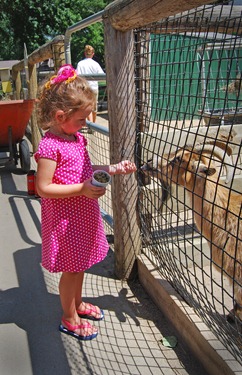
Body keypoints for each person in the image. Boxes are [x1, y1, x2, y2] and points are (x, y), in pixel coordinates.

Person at [34, 64, 137, 341]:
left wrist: (113, 168)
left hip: (82, 215)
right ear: (60, 116)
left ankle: (77, 305)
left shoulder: (76, 138)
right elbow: (43, 188)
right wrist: (82, 188)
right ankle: (69, 317)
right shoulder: (50, 146)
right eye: (82, 119)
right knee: (71, 269)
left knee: (79, 264)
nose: (86, 124)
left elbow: (85, 167)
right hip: (65, 221)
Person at [76, 45, 105, 123]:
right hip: (94, 88)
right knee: (94, 108)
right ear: (93, 53)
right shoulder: (95, 64)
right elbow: (102, 75)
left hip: (84, 88)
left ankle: (90, 125)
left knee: (86, 106)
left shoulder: (80, 64)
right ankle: (93, 124)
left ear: (85, 53)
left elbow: (77, 75)